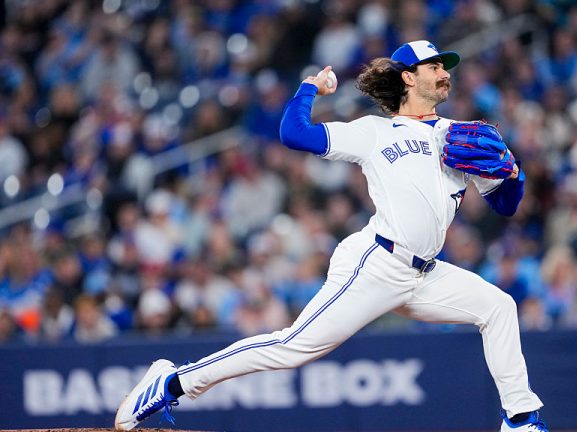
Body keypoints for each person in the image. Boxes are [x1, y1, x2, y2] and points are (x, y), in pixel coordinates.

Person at [116, 40, 546, 432]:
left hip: (425, 274)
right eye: (433, 66)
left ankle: (521, 420)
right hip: (376, 263)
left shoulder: (462, 137)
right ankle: (172, 383)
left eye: (445, 66)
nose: (444, 72)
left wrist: (513, 171)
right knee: (292, 348)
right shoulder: (375, 131)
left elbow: (505, 205)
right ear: (408, 77)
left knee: (498, 307)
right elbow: (293, 134)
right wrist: (308, 88)